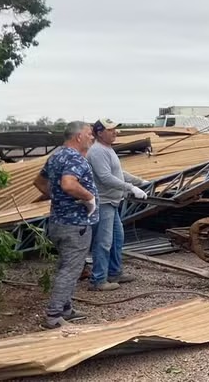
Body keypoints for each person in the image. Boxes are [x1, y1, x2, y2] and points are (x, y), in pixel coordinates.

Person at [32, 121, 98, 329]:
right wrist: (89, 199)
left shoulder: (57, 155)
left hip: (59, 221)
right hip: (75, 224)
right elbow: (69, 184)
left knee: (66, 265)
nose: (92, 137)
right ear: (78, 136)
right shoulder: (74, 158)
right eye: (89, 134)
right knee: (71, 269)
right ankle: (53, 317)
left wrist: (59, 199)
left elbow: (39, 182)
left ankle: (66, 310)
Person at [86, 119, 149, 291]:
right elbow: (105, 177)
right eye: (110, 129)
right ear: (99, 133)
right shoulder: (98, 151)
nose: (115, 132)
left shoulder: (108, 149)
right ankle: (98, 280)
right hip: (103, 202)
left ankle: (114, 272)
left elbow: (119, 173)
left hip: (112, 202)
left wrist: (139, 181)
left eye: (115, 129)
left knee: (117, 239)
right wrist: (130, 188)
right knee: (104, 242)